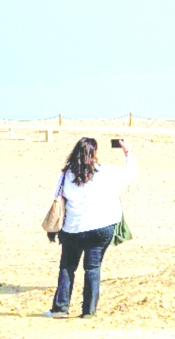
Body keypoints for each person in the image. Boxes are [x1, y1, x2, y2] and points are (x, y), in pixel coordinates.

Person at [45, 136, 137, 319]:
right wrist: (128, 151)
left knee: (67, 267)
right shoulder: (106, 173)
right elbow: (130, 173)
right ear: (94, 154)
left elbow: (58, 197)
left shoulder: (65, 175)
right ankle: (88, 311)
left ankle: (61, 308)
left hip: (73, 229)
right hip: (101, 227)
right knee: (92, 268)